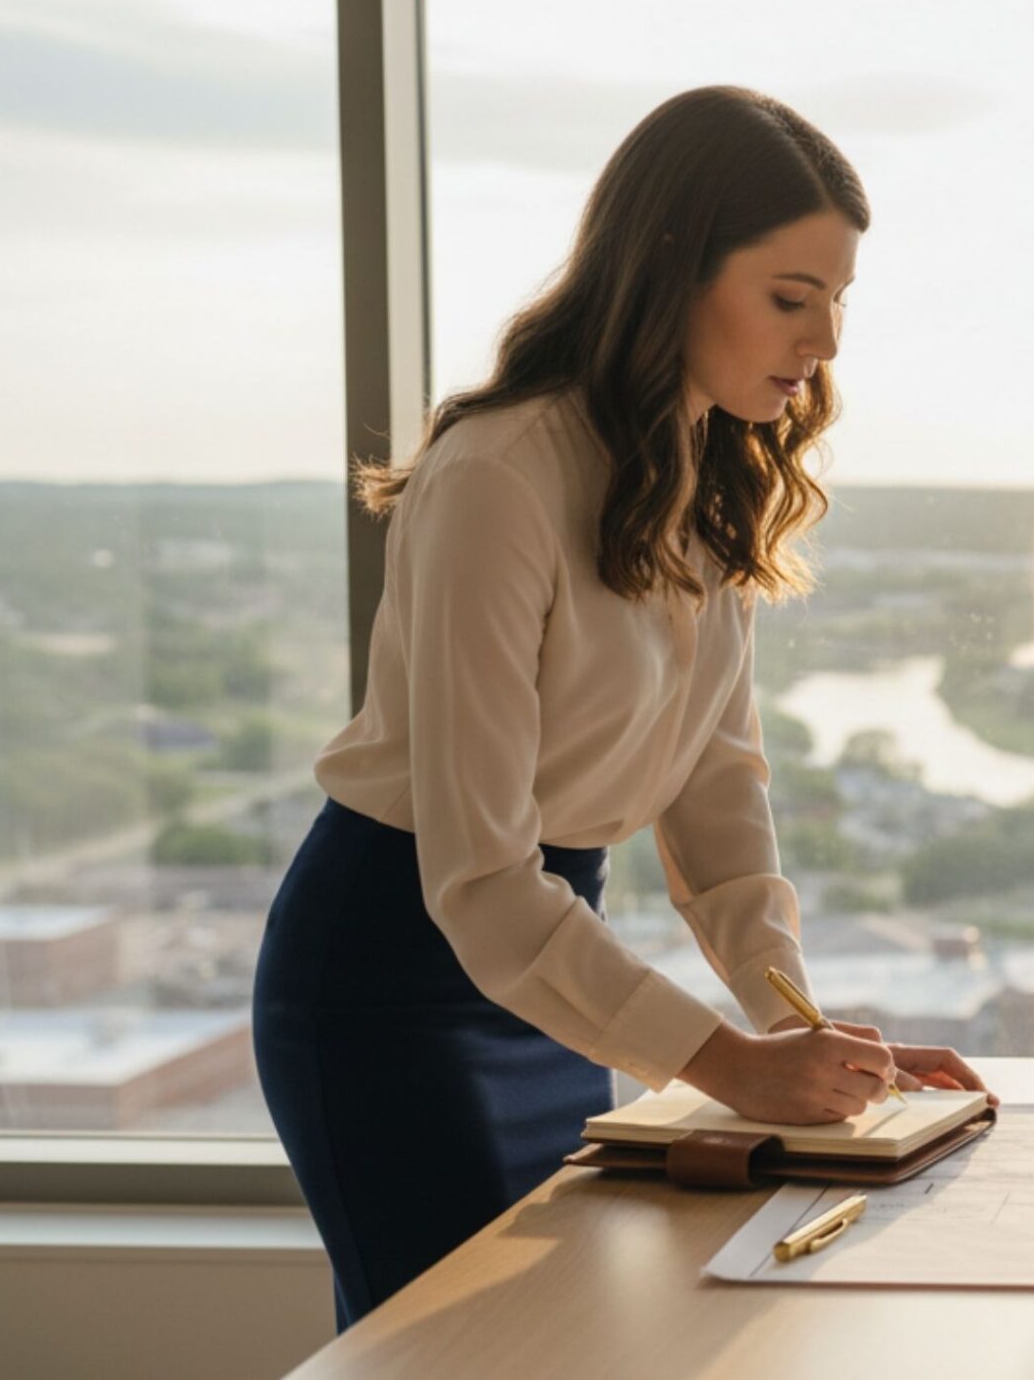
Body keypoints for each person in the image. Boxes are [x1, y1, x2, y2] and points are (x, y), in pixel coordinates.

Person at [252, 85, 988, 1329]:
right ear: (669, 271)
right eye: (791, 298)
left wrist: (798, 1032)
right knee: (450, 1355)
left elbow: (718, 800)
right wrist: (728, 1065)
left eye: (837, 301)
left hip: (546, 970)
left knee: (566, 1339)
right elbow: (479, 879)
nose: (826, 344)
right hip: (392, 981)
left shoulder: (708, 479)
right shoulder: (497, 475)